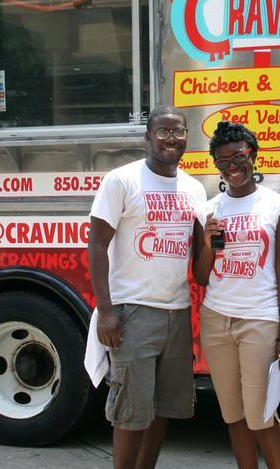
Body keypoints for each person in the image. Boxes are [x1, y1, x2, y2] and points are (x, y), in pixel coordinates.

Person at [87, 105, 208, 469]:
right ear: (148, 137)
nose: (171, 139)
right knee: (130, 410)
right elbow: (96, 245)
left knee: (163, 407)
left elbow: (200, 256)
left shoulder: (194, 188)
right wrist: (106, 311)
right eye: (163, 131)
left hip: (177, 311)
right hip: (133, 311)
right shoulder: (122, 180)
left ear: (187, 137)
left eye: (178, 132)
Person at [194, 121, 280, 469]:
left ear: (252, 154)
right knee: (234, 416)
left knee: (261, 416)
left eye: (238, 157)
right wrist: (208, 244)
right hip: (216, 321)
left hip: (260, 320)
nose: (232, 167)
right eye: (222, 162)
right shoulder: (210, 209)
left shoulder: (279, 206)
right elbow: (201, 276)